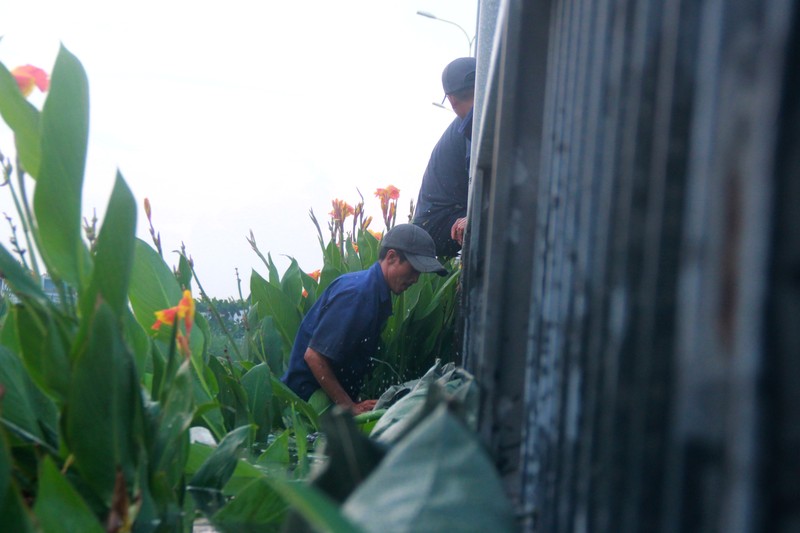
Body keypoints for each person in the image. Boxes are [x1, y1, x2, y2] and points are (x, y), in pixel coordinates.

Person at [281, 224, 447, 414]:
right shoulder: (358, 294)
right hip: (307, 407)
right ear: (391, 257)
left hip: (325, 402)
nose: (415, 279)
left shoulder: (374, 292)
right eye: (413, 270)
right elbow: (314, 356)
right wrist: (349, 406)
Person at [413, 56, 476, 258]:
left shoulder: (477, 116)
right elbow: (479, 178)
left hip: (444, 215)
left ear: (451, 99)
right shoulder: (471, 123)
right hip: (436, 225)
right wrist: (475, 216)